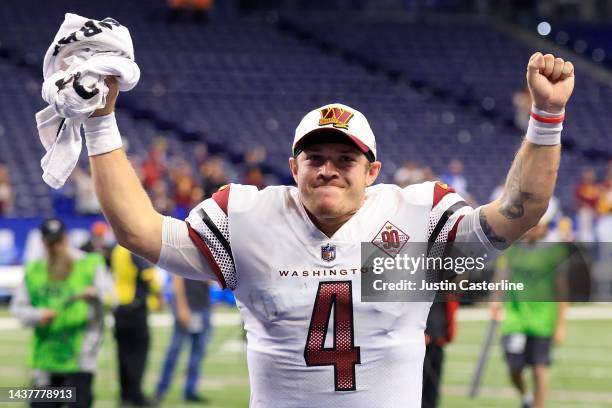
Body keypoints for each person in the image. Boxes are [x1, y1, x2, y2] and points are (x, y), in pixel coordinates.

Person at [82, 52, 574, 406]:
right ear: (294, 167)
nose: (328, 170)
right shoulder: (248, 217)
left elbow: (519, 211)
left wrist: (547, 117)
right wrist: (100, 120)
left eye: (345, 159)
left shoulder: (416, 215)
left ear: (372, 171)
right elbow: (139, 231)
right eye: (314, 158)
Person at [10, 218, 114, 408]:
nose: (56, 248)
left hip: (80, 356)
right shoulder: (35, 270)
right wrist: (37, 314)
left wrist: (96, 294)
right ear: (43, 243)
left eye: (59, 242)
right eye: (51, 243)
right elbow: (17, 307)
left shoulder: (90, 264)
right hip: (46, 357)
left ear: (66, 239)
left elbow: (112, 299)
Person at [491, 215, 569, 408]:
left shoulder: (554, 252)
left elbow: (562, 291)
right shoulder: (512, 249)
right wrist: (495, 301)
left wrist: (560, 325)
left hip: (542, 321)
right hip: (515, 319)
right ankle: (526, 397)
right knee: (513, 367)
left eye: (536, 226)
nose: (531, 230)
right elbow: (501, 275)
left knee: (539, 369)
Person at [111, 244, 162, 407]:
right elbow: (148, 275)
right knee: (138, 355)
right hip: (135, 309)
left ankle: (125, 395)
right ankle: (136, 395)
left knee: (123, 355)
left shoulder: (117, 249)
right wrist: (158, 292)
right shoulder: (133, 250)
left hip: (119, 308)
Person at [156, 276, 212, 403]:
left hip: (203, 305)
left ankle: (190, 391)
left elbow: (210, 281)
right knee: (174, 351)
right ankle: (161, 389)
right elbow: (177, 278)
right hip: (187, 306)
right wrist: (182, 307)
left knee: (197, 352)